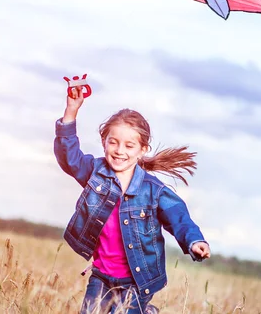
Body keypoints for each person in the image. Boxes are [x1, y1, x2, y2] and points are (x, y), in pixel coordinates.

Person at [53, 86, 211, 314]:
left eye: (129, 145)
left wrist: (194, 241)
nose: (119, 151)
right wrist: (71, 113)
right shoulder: (95, 172)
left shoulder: (153, 191)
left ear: (142, 150)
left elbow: (179, 216)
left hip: (136, 283)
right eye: (113, 142)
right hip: (100, 277)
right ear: (104, 142)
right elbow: (69, 159)